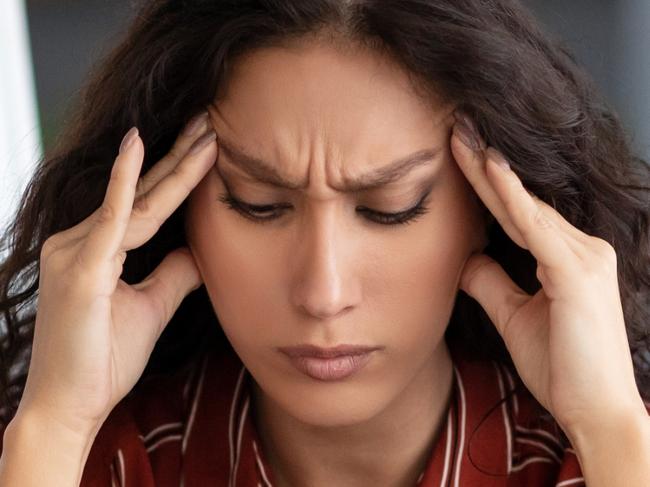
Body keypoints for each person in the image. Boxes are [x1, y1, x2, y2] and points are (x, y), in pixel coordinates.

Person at [0, 0, 649, 485]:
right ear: (176, 206)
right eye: (259, 205)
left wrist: (613, 429)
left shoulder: (587, 461)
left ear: (491, 209)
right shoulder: (107, 461)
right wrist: (55, 425)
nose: (322, 292)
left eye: (389, 208)